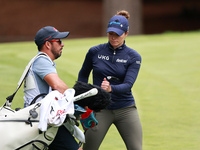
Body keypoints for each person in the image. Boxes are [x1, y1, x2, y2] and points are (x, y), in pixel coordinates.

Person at [78, 10, 143, 150]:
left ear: (126, 33)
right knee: (88, 148)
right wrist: (84, 101)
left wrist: (110, 88)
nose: (113, 38)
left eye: (117, 35)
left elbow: (128, 85)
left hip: (126, 109)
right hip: (100, 109)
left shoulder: (133, 57)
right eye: (110, 34)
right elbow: (83, 75)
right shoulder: (95, 52)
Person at [23, 26, 82, 150]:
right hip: (42, 121)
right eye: (59, 41)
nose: (62, 44)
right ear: (48, 44)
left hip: (40, 118)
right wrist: (78, 102)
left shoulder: (40, 61)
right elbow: (58, 85)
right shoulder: (42, 61)